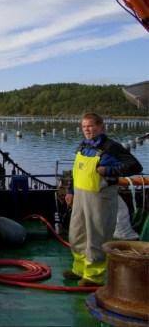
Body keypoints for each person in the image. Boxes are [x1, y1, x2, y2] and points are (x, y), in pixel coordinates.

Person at [63, 112, 142, 286]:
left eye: (90, 126)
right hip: (80, 196)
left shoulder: (111, 147)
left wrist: (109, 171)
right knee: (76, 235)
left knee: (96, 237)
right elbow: (75, 171)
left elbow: (135, 166)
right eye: (84, 126)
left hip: (100, 198)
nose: (87, 130)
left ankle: (94, 277)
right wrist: (70, 190)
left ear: (100, 126)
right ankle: (79, 269)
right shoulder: (83, 146)